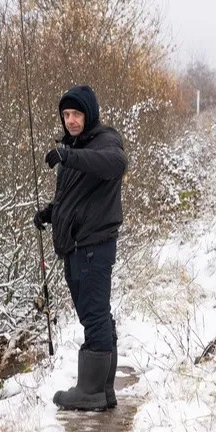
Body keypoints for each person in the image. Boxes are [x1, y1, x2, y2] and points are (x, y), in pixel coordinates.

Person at [33, 84, 127, 411]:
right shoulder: (74, 146)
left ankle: (90, 393)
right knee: (95, 315)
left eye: (76, 114)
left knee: (94, 315)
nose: (71, 120)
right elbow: (74, 198)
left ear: (89, 113)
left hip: (92, 246)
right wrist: (51, 212)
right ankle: (103, 390)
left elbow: (115, 164)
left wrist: (68, 155)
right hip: (76, 245)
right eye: (66, 115)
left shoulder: (105, 140)